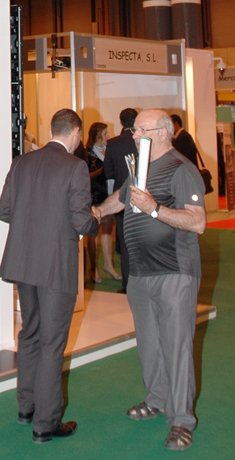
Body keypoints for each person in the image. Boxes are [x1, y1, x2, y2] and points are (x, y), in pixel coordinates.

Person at [94, 110, 206, 451]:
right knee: (150, 343)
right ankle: (157, 398)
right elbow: (121, 199)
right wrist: (97, 211)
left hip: (174, 272)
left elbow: (198, 222)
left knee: (177, 347)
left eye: (140, 129)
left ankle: (182, 420)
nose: (133, 134)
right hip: (140, 273)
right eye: (134, 129)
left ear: (162, 132)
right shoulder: (139, 168)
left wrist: (155, 209)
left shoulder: (181, 168)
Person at [0, 108, 98, 443]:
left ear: (53, 129)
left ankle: (26, 408)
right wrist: (97, 219)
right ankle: (46, 422)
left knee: (30, 334)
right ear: (76, 133)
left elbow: (3, 210)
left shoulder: (22, 162)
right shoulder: (75, 166)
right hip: (56, 266)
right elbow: (81, 221)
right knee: (52, 344)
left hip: (24, 263)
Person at [103, 107, 137, 291]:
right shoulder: (144, 140)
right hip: (144, 196)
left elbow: (109, 174)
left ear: (121, 122)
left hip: (121, 200)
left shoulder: (113, 143)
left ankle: (128, 284)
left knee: (125, 244)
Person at [85, 122, 120, 283]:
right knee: (93, 231)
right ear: (98, 135)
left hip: (108, 194)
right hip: (94, 196)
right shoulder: (88, 153)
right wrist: (102, 169)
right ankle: (94, 269)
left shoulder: (109, 150)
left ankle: (108, 264)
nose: (108, 136)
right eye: (105, 133)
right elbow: (87, 175)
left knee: (107, 228)